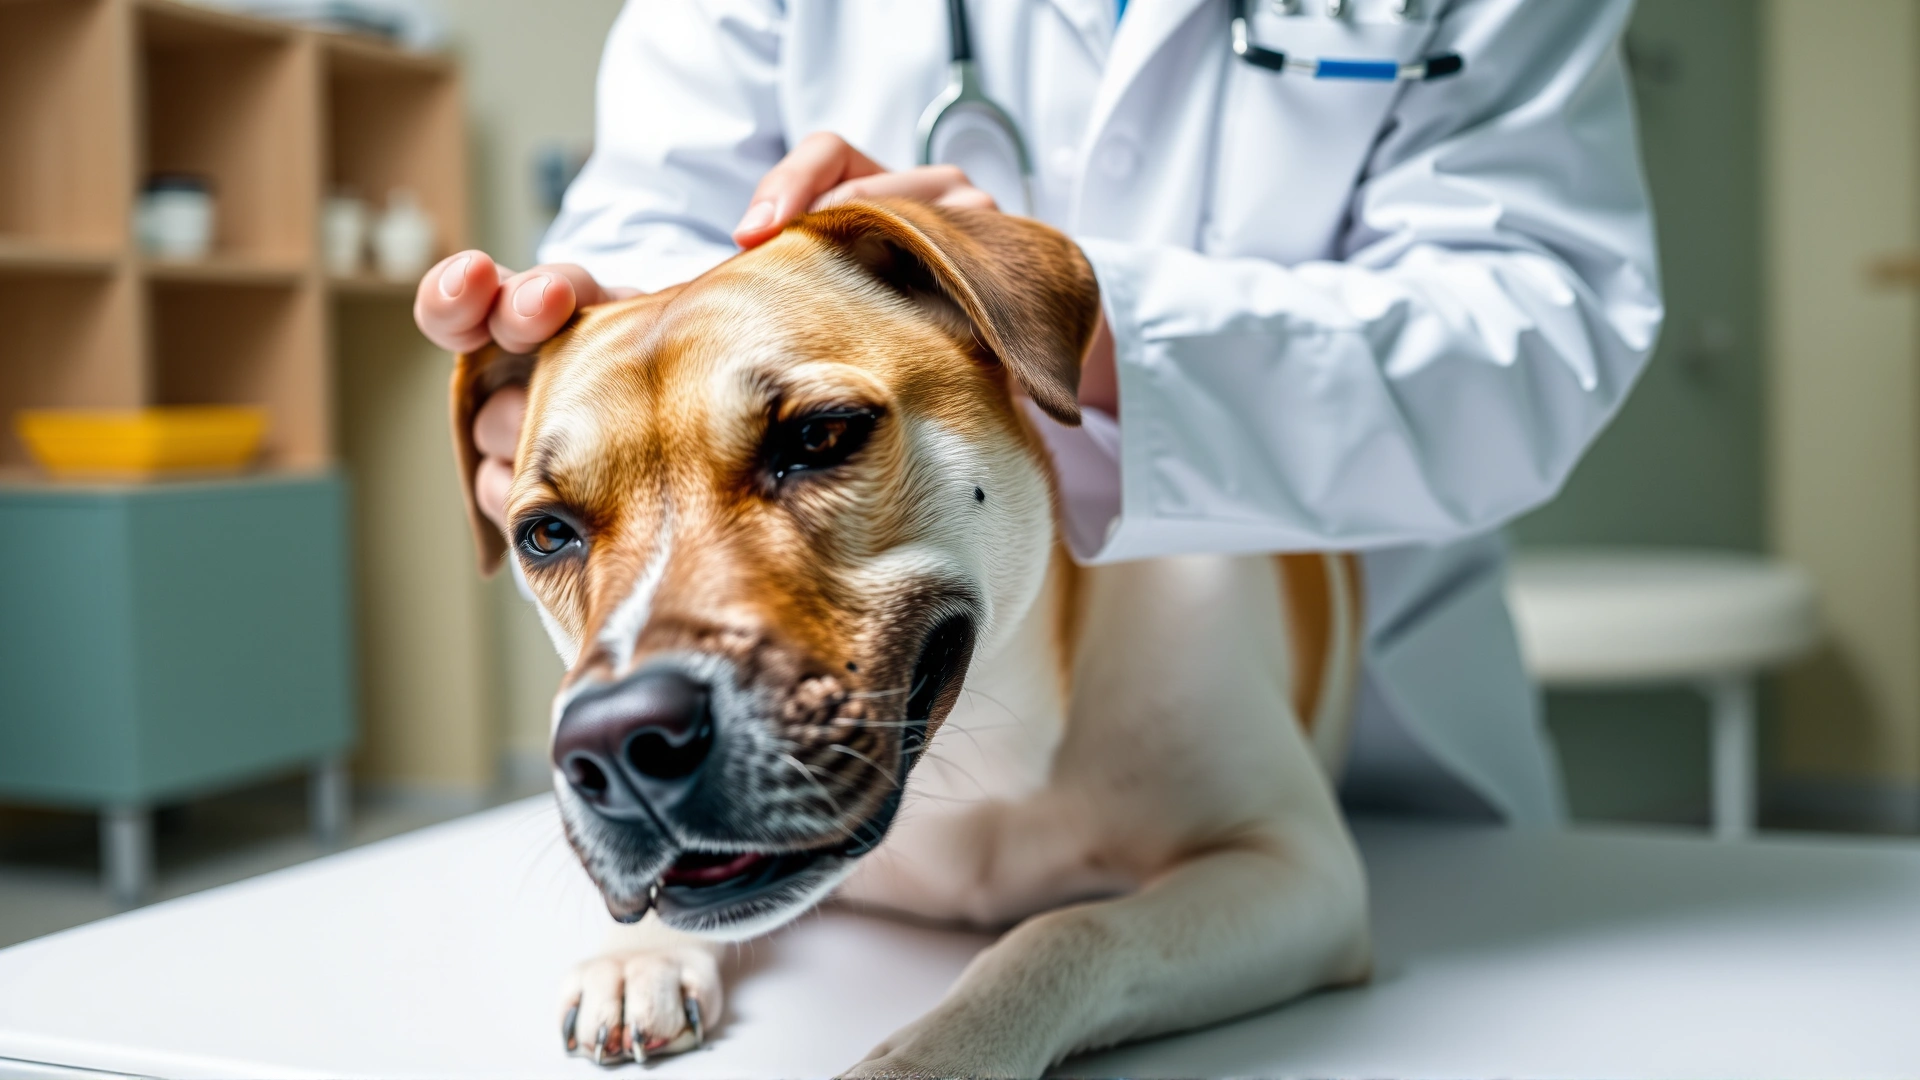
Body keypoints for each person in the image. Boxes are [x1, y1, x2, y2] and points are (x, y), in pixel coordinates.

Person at [414, 0, 1661, 825]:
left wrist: (1061, 315)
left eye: (814, 442)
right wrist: (563, 382)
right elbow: (654, 232)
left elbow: (1532, 332)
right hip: (874, 814)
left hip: (1376, 758)